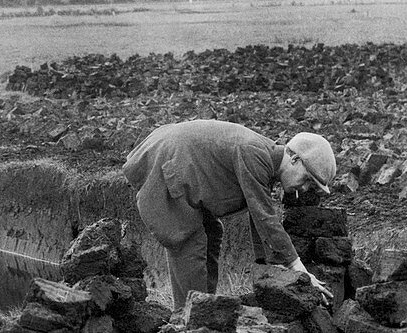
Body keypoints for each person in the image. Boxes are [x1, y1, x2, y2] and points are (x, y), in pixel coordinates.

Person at [123, 119, 336, 310]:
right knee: (189, 241)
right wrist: (300, 271)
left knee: (213, 231)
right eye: (307, 179)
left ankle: (207, 308)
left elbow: (258, 217)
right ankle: (188, 322)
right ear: (294, 159)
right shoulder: (255, 154)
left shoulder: (268, 160)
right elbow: (265, 217)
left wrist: (271, 267)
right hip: (168, 163)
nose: (305, 188)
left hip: (180, 163)